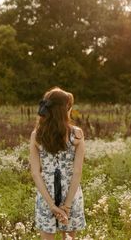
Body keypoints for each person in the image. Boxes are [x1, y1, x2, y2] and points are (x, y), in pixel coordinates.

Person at [30, 86, 86, 240]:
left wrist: (52, 206)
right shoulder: (77, 134)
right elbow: (77, 172)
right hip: (71, 193)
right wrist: (67, 206)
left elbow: (35, 173)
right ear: (65, 109)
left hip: (46, 194)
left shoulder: (37, 135)